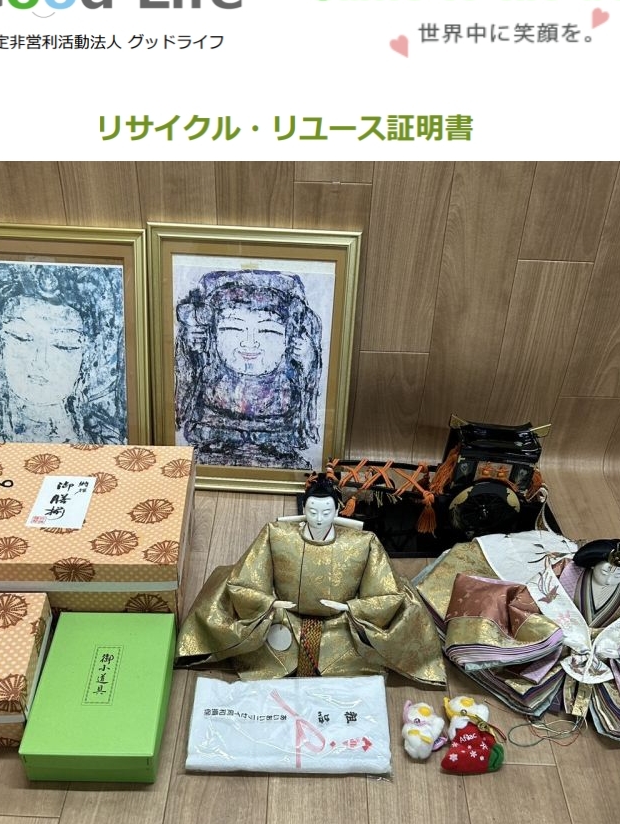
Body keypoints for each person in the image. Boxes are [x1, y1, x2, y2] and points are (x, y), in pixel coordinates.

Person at [415, 530, 620, 741]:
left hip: (612, 654)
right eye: (606, 569)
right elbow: (526, 604)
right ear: (592, 566)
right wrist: (554, 635)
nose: (611, 575)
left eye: (619, 572)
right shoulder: (565, 574)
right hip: (558, 639)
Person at [177, 473, 445, 685]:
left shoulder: (363, 543)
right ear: (304, 507)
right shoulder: (277, 534)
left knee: (405, 611)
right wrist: (269, 603)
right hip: (282, 617)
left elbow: (385, 593)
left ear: (338, 510)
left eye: (326, 512)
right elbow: (245, 580)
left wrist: (352, 607)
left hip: (342, 624)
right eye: (312, 511)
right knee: (223, 598)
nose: (318, 519)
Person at [0, 261, 127, 443]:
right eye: (22, 337)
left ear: (87, 358)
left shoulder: (106, 444)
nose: (40, 362)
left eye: (63, 345)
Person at [174, 269, 322, 468]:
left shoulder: (288, 381)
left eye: (267, 330)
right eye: (233, 328)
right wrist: (191, 348)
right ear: (211, 334)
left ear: (290, 339)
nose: (250, 343)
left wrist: (308, 360)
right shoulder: (209, 374)